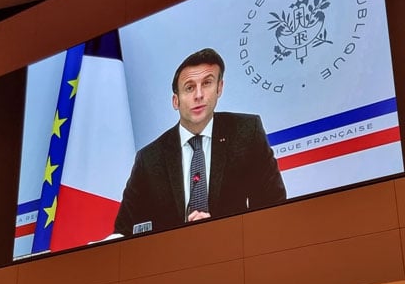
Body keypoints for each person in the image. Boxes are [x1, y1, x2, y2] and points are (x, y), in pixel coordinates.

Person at [113, 48, 286, 236]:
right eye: (189, 87)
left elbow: (273, 208)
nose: (199, 95)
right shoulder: (149, 158)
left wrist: (219, 231)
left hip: (237, 254)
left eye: (207, 83)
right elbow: (124, 231)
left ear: (219, 88)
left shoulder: (246, 132)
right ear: (175, 101)